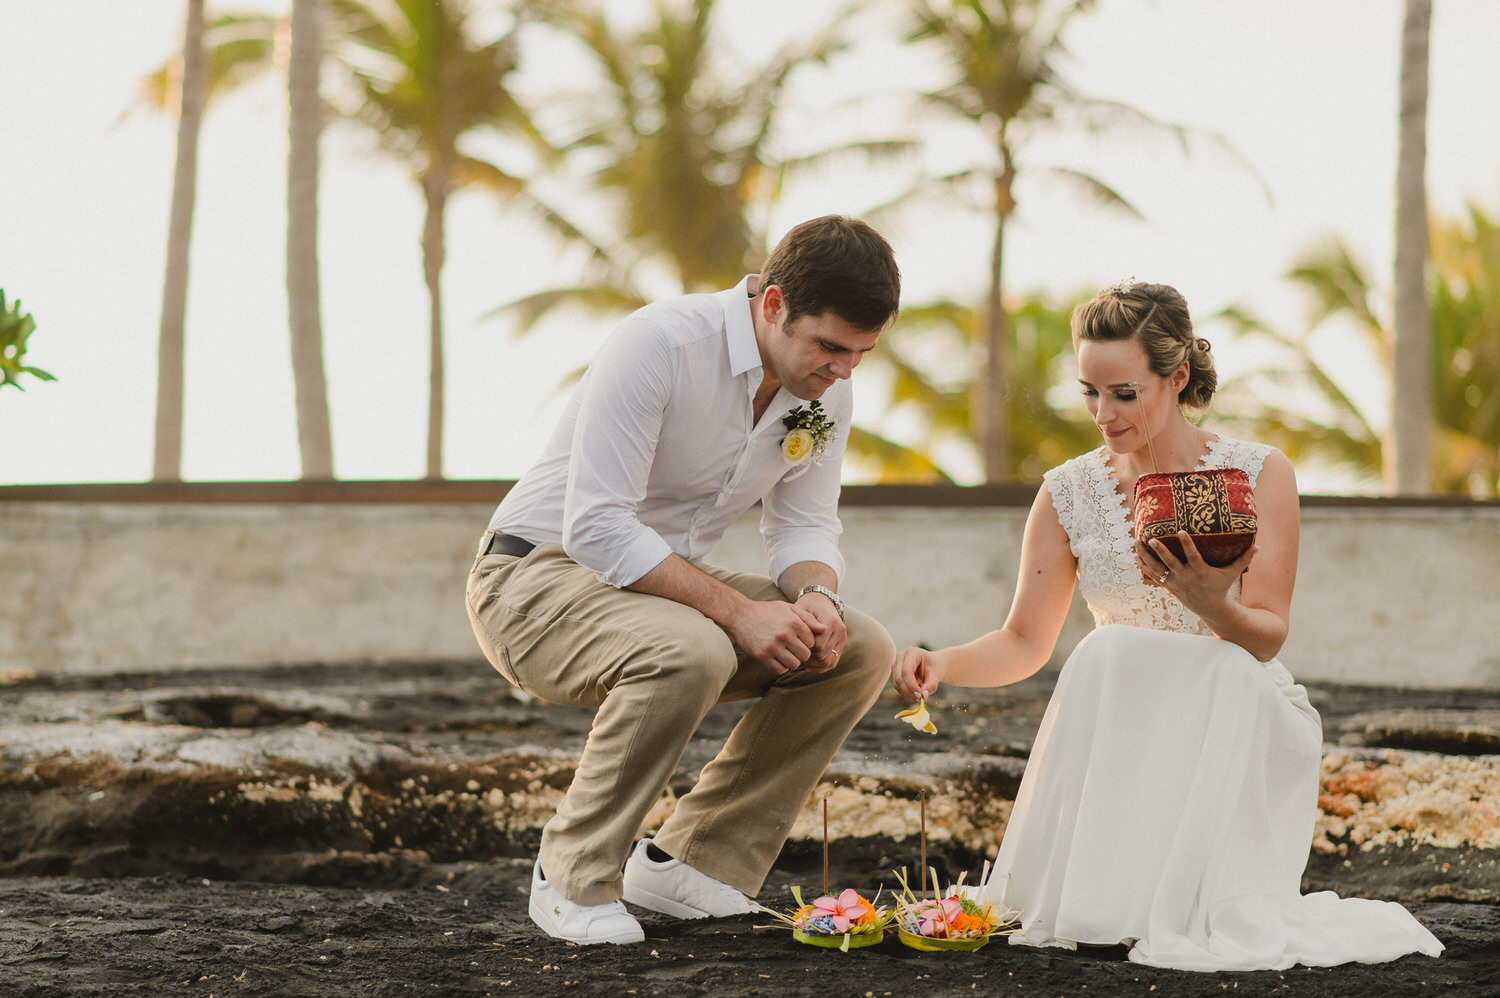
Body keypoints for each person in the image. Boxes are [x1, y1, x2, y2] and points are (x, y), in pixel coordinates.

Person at [891, 281, 1444, 971]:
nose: (1103, 413)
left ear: (1177, 377)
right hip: (1127, 722)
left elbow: (1267, 636)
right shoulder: (1068, 491)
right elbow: (1024, 641)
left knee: (1147, 653)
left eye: (1124, 393)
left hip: (1237, 709)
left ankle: (1195, 896)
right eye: (1090, 391)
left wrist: (1211, 602)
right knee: (1108, 647)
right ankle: (1113, 894)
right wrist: (941, 665)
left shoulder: (1258, 472)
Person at [466, 215, 900, 946]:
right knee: (691, 647)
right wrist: (738, 614)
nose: (844, 370)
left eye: (862, 352)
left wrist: (819, 597)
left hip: (656, 592)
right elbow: (597, 526)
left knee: (860, 646)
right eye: (830, 346)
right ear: (771, 305)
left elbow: (801, 529)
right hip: (531, 579)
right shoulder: (661, 342)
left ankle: (690, 864)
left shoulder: (826, 390)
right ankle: (570, 873)